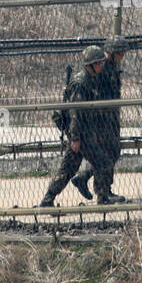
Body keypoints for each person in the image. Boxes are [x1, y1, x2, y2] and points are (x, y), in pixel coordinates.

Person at [38, 45, 119, 206]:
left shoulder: (92, 79)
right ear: (90, 65)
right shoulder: (81, 82)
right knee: (103, 162)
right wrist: (75, 137)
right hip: (81, 133)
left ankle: (48, 199)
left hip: (85, 131)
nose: (102, 65)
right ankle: (102, 197)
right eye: (99, 63)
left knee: (68, 168)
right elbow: (74, 112)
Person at [70, 36, 133, 202]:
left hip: (110, 116)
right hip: (101, 118)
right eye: (120, 53)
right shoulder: (101, 68)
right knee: (107, 153)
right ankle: (102, 191)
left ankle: (90, 180)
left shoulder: (110, 67)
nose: (122, 56)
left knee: (112, 152)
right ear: (112, 52)